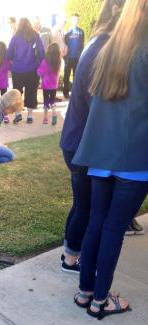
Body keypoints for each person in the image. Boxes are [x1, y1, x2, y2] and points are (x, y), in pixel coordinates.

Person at [72, 0, 148, 319]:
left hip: (101, 152)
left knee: (98, 221)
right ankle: (100, 301)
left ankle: (86, 292)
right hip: (134, 155)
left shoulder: (108, 47)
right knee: (113, 226)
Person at [59, 0, 125, 274]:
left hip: (76, 141)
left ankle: (69, 253)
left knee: (81, 204)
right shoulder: (104, 48)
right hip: (83, 144)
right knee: (86, 207)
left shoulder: (96, 42)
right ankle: (71, 259)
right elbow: (96, 101)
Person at [6, 18, 45, 124]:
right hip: (32, 69)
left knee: (17, 93)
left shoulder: (15, 37)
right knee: (31, 92)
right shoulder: (36, 36)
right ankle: (29, 116)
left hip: (17, 69)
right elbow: (42, 53)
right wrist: (40, 66)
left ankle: (18, 114)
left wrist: (11, 67)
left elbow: (9, 53)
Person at [37, 43, 61, 125]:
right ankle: (54, 113)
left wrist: (38, 70)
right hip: (54, 85)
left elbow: (40, 72)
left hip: (46, 85)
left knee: (46, 101)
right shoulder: (58, 61)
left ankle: (45, 118)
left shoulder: (45, 61)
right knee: (53, 100)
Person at [63, 14, 84, 98]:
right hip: (68, 58)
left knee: (76, 76)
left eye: (77, 20)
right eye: (74, 20)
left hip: (77, 58)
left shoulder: (81, 32)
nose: (75, 21)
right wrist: (65, 57)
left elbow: (82, 45)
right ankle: (65, 92)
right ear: (71, 21)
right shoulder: (67, 32)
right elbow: (64, 44)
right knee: (66, 76)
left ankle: (75, 93)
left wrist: (81, 56)